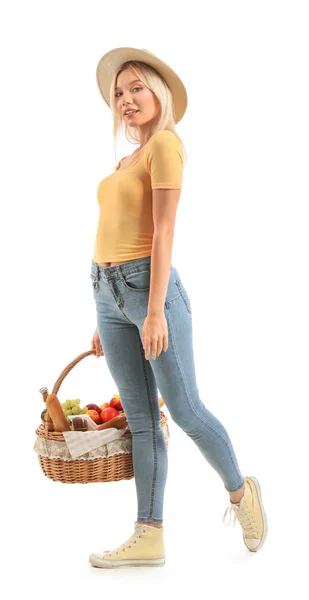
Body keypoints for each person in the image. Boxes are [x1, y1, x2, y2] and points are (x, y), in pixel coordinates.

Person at [88, 47, 268, 569]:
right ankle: (149, 534)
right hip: (107, 291)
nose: (126, 99)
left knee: (185, 410)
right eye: (119, 93)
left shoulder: (165, 145)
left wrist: (154, 310)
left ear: (159, 94)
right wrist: (103, 313)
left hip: (150, 292)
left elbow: (164, 231)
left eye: (136, 88)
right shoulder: (124, 161)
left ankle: (242, 493)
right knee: (142, 420)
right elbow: (110, 232)